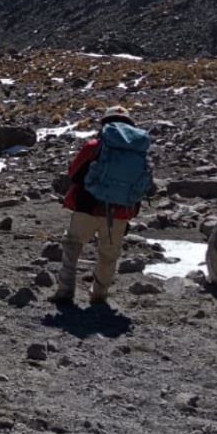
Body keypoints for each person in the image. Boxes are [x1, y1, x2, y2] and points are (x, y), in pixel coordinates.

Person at [51, 106, 153, 305]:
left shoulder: (94, 146)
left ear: (106, 124)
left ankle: (65, 292)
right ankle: (99, 294)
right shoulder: (139, 152)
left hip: (88, 206)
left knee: (72, 246)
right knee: (108, 254)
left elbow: (74, 172)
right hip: (121, 211)